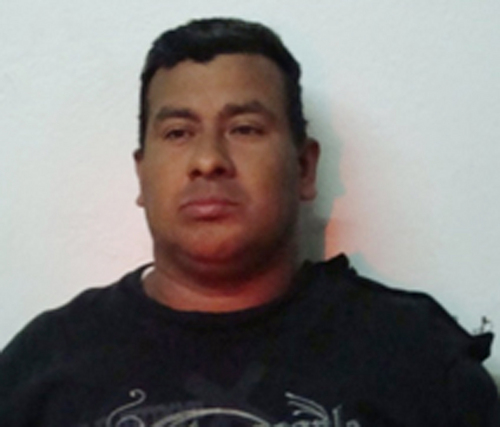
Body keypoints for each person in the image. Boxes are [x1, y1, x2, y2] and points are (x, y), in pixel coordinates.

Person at [0, 17, 498, 427]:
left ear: (304, 167)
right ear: (141, 173)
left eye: (244, 129)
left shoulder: (417, 359)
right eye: (178, 132)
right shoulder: (41, 367)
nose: (208, 160)